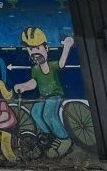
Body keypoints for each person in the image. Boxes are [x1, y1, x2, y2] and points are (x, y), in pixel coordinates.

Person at [14, 27, 75, 159]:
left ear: (46, 48)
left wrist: (67, 46)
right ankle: (47, 134)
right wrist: (23, 86)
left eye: (37, 48)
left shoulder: (52, 65)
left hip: (55, 94)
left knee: (48, 113)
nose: (34, 52)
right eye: (31, 49)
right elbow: (34, 83)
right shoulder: (35, 69)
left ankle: (64, 139)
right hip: (43, 96)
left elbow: (62, 63)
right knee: (35, 112)